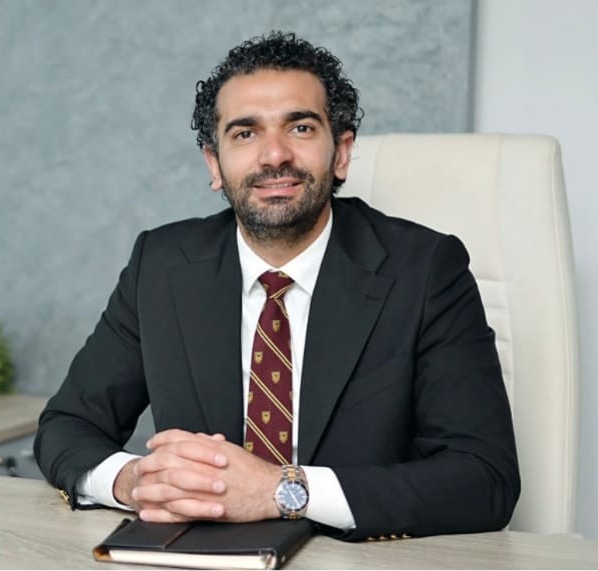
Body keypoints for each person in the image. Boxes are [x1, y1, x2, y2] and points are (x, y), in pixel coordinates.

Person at [33, 30, 519, 541]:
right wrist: (132, 481)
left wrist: (282, 491)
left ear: (342, 152)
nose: (273, 155)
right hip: (197, 556)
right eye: (245, 134)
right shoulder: (161, 265)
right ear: (214, 164)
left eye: (300, 128)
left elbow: (484, 479)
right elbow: (68, 425)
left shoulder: (425, 271)